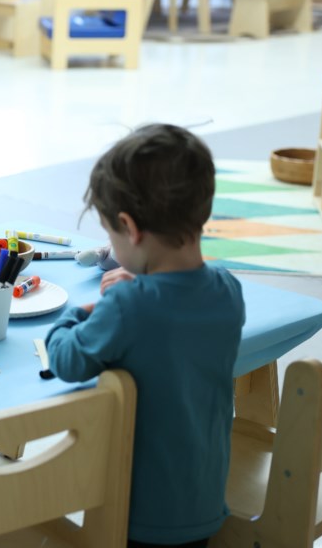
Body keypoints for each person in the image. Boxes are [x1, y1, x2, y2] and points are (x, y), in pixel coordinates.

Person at [45, 123, 245, 548]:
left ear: (130, 228)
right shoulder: (228, 290)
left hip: (136, 513)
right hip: (202, 502)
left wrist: (78, 313)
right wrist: (139, 285)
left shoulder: (127, 307)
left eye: (110, 235)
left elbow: (66, 359)